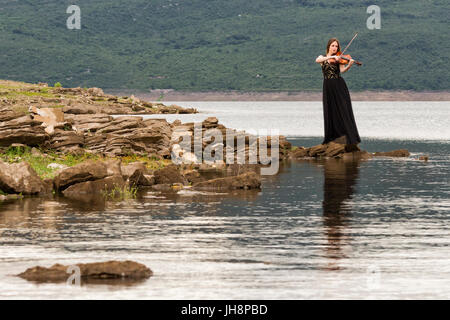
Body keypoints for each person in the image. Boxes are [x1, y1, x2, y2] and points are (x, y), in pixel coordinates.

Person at [315, 38, 361, 151]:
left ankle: (348, 137)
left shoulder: (339, 58)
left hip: (339, 85)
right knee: (330, 109)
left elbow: (342, 71)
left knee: (343, 110)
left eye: (336, 46)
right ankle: (332, 137)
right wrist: (331, 57)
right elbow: (317, 60)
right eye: (333, 46)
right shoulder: (323, 58)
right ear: (328, 46)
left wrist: (349, 65)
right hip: (328, 86)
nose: (335, 48)